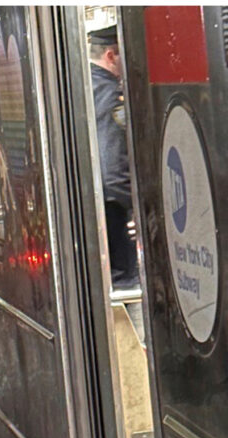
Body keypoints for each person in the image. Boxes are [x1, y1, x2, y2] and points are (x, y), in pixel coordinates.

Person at [89, 25, 138, 289]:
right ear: (111, 55)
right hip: (116, 215)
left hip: (97, 211)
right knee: (127, 287)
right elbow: (113, 167)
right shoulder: (110, 95)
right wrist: (139, 206)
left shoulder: (86, 86)